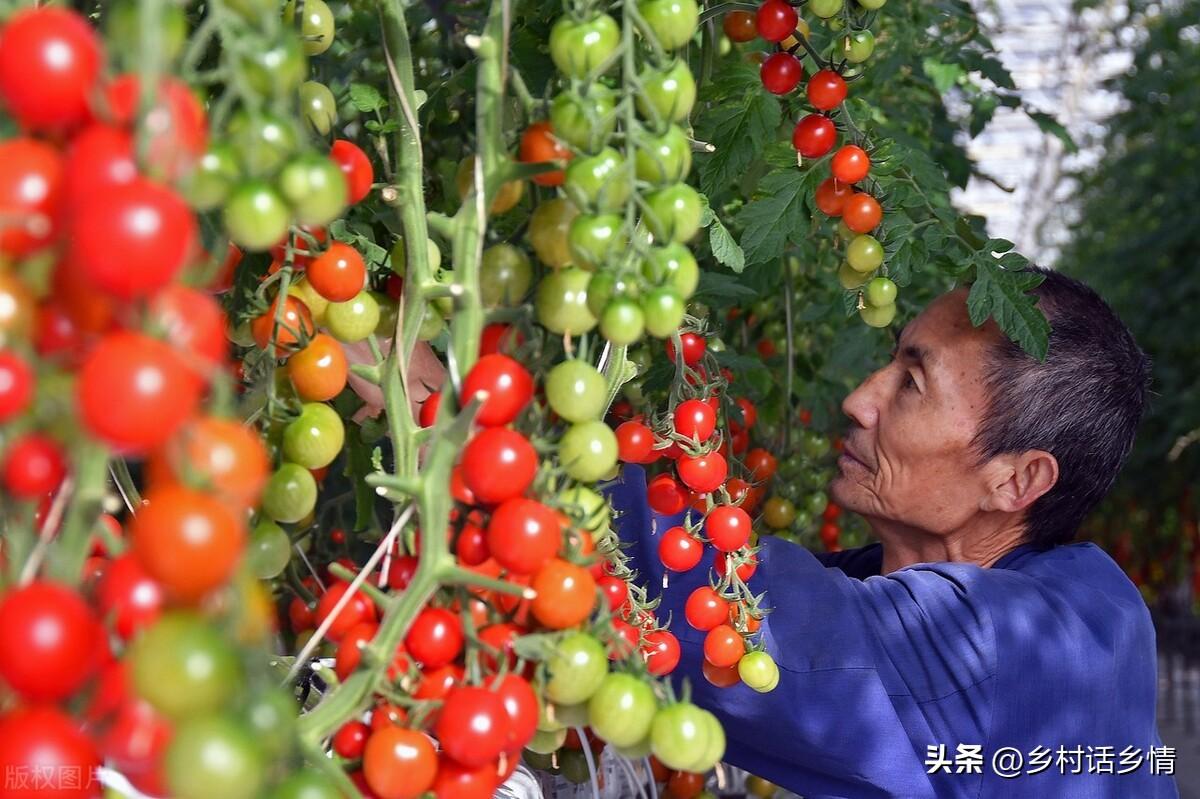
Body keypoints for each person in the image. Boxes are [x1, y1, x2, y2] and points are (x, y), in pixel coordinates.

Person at [609, 269, 1180, 798]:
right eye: (889, 362)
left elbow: (685, 596)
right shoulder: (1091, 602)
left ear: (1016, 480)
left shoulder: (1013, 645)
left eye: (912, 382)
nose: (858, 401)